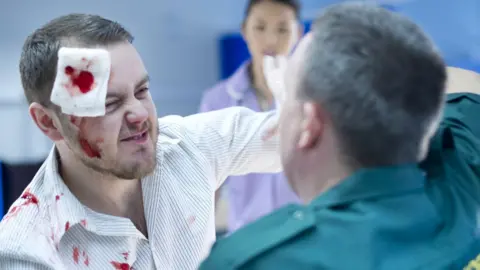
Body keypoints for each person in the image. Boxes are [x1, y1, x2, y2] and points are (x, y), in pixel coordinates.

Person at [200, 3, 480, 269]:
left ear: (310, 124)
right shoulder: (463, 167)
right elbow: (453, 85)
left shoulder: (259, 261)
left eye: (288, 100)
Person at [0, 14, 282, 269]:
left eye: (142, 90)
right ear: (48, 122)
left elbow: (300, 137)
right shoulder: (27, 252)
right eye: (109, 103)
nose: (138, 113)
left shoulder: (188, 147)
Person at [199, 0, 302, 233]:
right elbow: (207, 184)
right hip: (245, 240)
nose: (271, 40)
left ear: (298, 32)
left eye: (283, 29)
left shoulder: (313, 98)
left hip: (304, 238)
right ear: (245, 30)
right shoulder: (217, 101)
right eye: (260, 27)